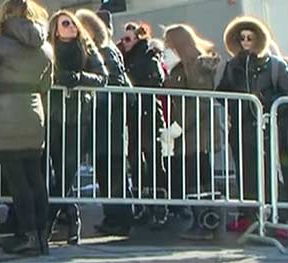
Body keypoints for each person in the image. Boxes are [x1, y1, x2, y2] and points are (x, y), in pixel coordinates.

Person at [0, 0, 52, 255]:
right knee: (36, 178)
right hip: (33, 112)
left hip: (5, 116)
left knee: (17, 181)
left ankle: (28, 235)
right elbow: (46, 85)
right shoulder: (45, 47)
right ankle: (42, 237)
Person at [216, 16, 288, 232]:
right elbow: (221, 94)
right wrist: (239, 98)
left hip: (271, 130)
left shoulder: (274, 65)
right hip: (242, 129)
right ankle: (248, 215)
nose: (246, 41)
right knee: (246, 172)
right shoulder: (232, 66)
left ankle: (280, 216)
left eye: (250, 37)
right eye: (242, 38)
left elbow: (285, 94)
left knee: (275, 174)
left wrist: (265, 100)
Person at [47, 10, 108, 245]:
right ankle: (71, 219)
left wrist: (78, 77)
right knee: (58, 172)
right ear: (56, 28)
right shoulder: (48, 49)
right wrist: (58, 78)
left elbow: (101, 77)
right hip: (52, 116)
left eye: (73, 23)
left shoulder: (87, 48)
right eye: (65, 23)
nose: (71, 26)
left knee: (67, 171)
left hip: (78, 116)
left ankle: (51, 221)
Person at [76, 8, 133, 236]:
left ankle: (119, 219)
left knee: (112, 172)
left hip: (108, 122)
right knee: (108, 172)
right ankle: (115, 217)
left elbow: (113, 85)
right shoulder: (104, 50)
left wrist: (93, 102)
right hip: (105, 122)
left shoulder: (105, 51)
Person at [163, 24, 223, 240]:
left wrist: (179, 126)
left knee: (198, 177)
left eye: (168, 42)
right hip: (189, 133)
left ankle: (206, 223)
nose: (165, 46)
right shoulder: (181, 67)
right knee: (192, 178)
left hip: (197, 133)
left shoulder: (196, 65)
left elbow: (199, 101)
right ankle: (201, 221)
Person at [120, 22, 168, 225]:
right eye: (123, 39)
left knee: (153, 158)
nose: (124, 42)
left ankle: (159, 205)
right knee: (134, 158)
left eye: (128, 39)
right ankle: (141, 202)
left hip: (148, 112)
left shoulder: (148, 55)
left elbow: (157, 79)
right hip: (133, 113)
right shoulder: (125, 56)